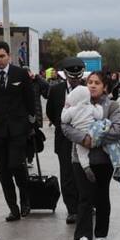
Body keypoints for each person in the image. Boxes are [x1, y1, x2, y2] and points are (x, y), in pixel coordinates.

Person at [0, 41, 41, 222]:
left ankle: (25, 199)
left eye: (1, 56)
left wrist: (33, 124)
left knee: (15, 165)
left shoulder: (20, 74)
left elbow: (30, 100)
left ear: (9, 56)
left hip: (19, 129)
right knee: (3, 171)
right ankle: (13, 208)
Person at [60, 71, 120, 240]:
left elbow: (118, 129)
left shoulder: (111, 106)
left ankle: (102, 233)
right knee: (85, 197)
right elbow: (64, 125)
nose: (93, 85)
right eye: (90, 82)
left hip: (103, 159)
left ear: (105, 86)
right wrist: (83, 139)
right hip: (80, 160)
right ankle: (84, 237)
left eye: (97, 82)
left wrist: (95, 138)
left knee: (102, 197)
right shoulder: (75, 101)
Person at [46, 65, 85, 224]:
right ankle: (72, 209)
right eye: (72, 76)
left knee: (84, 172)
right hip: (63, 138)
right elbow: (50, 111)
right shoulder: (56, 90)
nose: (75, 79)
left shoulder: (87, 88)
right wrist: (64, 126)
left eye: (77, 76)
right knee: (67, 174)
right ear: (66, 75)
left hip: (84, 137)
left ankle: (86, 204)